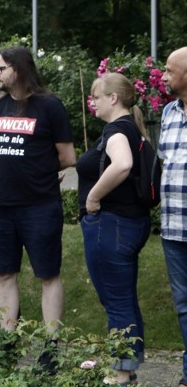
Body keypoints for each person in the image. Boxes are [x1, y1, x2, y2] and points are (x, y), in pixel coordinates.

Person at [0, 46, 76, 372]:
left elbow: (67, 156)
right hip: (1, 205)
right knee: (4, 272)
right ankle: (7, 344)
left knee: (47, 274)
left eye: (0, 68)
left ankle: (51, 348)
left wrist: (38, 172)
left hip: (40, 205)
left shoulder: (50, 106)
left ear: (18, 70)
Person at [77, 73, 151, 385]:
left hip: (112, 224)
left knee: (116, 299)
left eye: (95, 96)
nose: (91, 102)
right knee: (122, 297)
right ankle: (127, 365)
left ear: (113, 99)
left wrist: (93, 197)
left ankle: (122, 373)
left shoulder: (117, 130)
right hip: (125, 223)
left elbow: (121, 164)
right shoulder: (128, 128)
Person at [159, 46, 187, 387]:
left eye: (169, 70)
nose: (163, 77)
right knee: (183, 305)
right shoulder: (167, 112)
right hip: (173, 227)